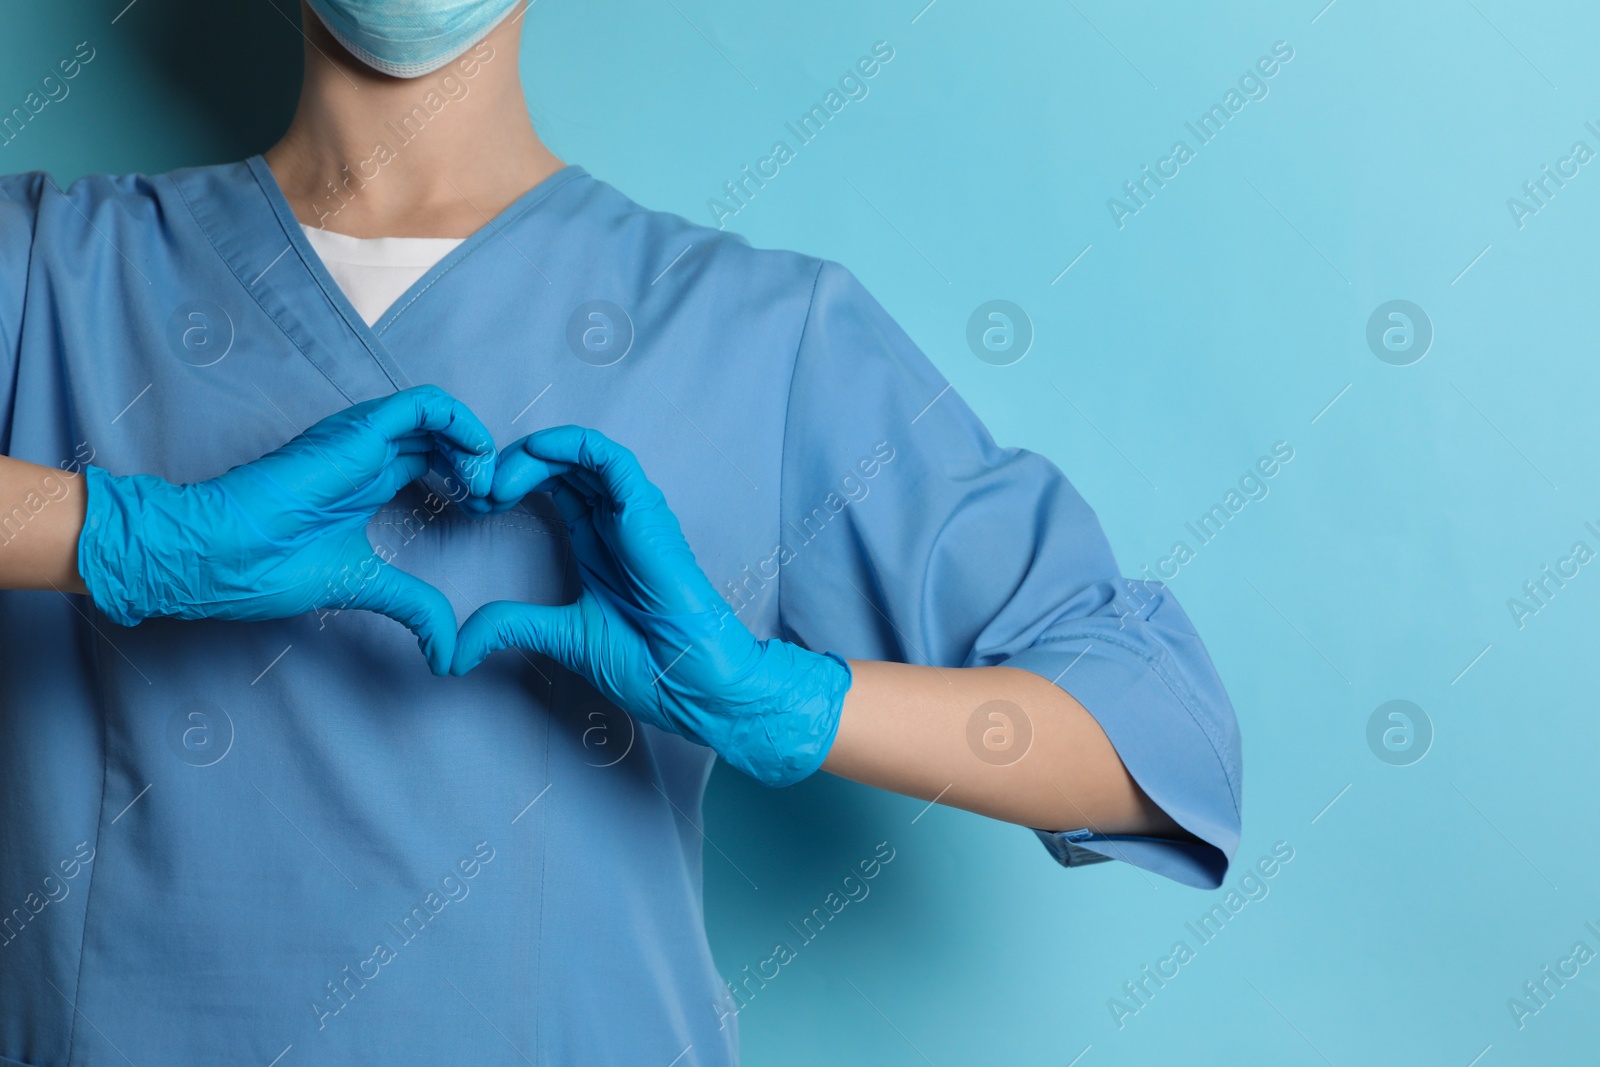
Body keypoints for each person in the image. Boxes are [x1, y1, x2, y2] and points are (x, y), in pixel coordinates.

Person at [0, 2, 1242, 1063]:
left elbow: (1154, 732)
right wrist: (114, 530)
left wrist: (782, 700)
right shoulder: (45, 264)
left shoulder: (763, 333)